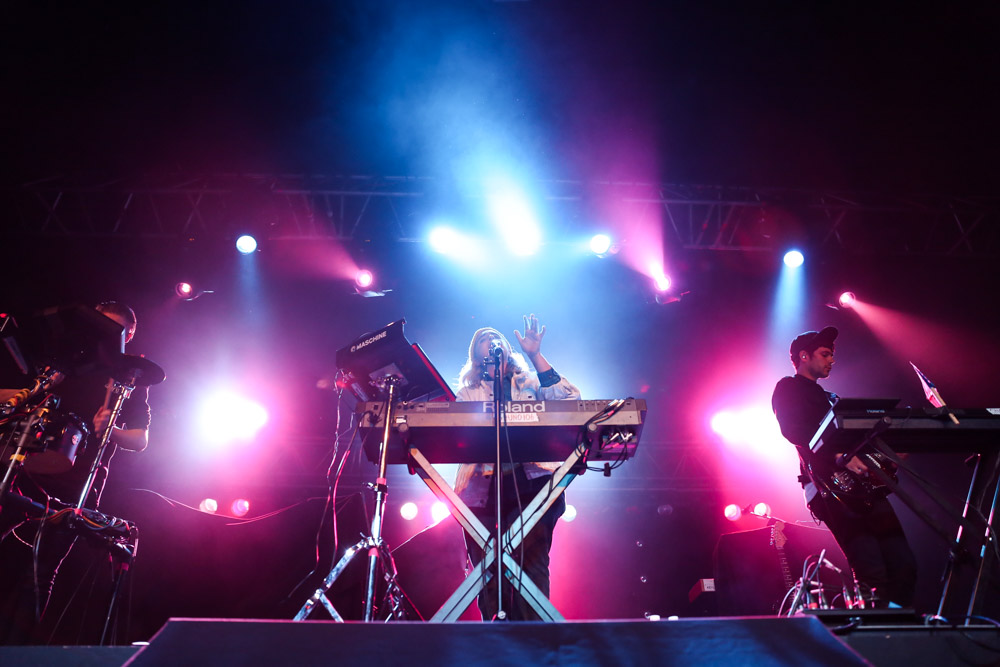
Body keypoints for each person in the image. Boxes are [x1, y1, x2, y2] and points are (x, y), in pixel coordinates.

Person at [0, 301, 151, 644]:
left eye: (113, 331)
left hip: (77, 486)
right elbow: (25, 397)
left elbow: (141, 439)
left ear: (128, 335)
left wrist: (109, 430)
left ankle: (15, 654)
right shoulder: (69, 360)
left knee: (38, 575)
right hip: (25, 469)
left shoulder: (131, 376)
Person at [771, 326, 917, 608]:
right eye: (825, 354)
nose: (831, 360)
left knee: (904, 565)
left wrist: (888, 456)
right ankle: (874, 637)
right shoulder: (788, 388)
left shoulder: (832, 398)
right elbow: (793, 430)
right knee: (871, 569)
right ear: (803, 356)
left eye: (832, 355)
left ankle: (898, 631)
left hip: (865, 489)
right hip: (829, 486)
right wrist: (838, 456)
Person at [454, 314, 580, 620]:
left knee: (531, 562)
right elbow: (453, 428)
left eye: (495, 340)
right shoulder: (468, 392)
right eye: (483, 342)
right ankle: (496, 642)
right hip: (479, 490)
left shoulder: (528, 381)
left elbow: (569, 399)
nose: (491, 344)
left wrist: (535, 355)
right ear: (476, 358)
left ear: (507, 351)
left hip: (531, 483)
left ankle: (534, 644)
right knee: (487, 568)